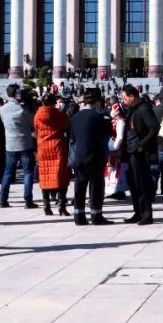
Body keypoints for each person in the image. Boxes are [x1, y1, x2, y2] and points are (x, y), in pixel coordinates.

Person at [68, 88, 112, 225]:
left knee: (79, 186)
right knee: (96, 186)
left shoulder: (75, 117)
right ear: (97, 101)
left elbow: (72, 137)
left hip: (79, 155)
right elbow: (108, 135)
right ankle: (96, 215)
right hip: (95, 155)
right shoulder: (101, 117)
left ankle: (79, 216)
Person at [120, 84, 159, 225]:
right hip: (131, 151)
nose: (123, 100)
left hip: (139, 152)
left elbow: (154, 127)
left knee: (142, 184)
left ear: (132, 96)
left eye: (125, 98)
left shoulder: (143, 109)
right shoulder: (133, 109)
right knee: (134, 184)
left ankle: (146, 214)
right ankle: (138, 212)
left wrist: (143, 144)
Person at [0, 84, 37, 208]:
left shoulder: (2, 109)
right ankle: (28, 200)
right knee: (28, 172)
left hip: (10, 144)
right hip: (25, 143)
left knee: (8, 172)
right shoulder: (22, 109)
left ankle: (3, 199)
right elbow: (32, 122)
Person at [34, 93, 71, 217]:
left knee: (45, 176)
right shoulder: (58, 113)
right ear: (54, 102)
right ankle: (61, 206)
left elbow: (36, 129)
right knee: (61, 177)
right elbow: (66, 124)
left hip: (43, 147)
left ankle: (46, 206)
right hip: (57, 146)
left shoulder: (38, 114)